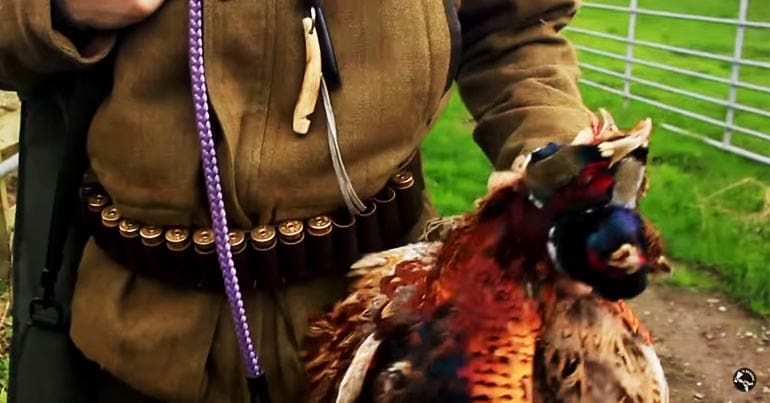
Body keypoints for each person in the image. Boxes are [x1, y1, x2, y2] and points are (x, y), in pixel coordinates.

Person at [0, 0, 593, 401]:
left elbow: (515, 29)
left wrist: (557, 160)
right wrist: (58, 10)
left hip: (382, 342)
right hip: (131, 344)